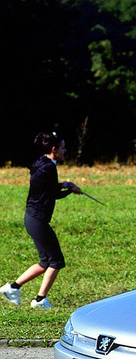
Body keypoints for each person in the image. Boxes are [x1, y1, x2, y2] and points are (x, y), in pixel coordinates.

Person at [1, 132, 83, 310]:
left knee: (46, 261)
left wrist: (65, 184)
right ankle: (39, 300)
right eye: (63, 147)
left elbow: (49, 186)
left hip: (33, 218)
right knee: (56, 261)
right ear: (54, 149)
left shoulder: (43, 162)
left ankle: (12, 288)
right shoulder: (49, 168)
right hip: (37, 220)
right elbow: (53, 193)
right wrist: (70, 189)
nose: (65, 150)